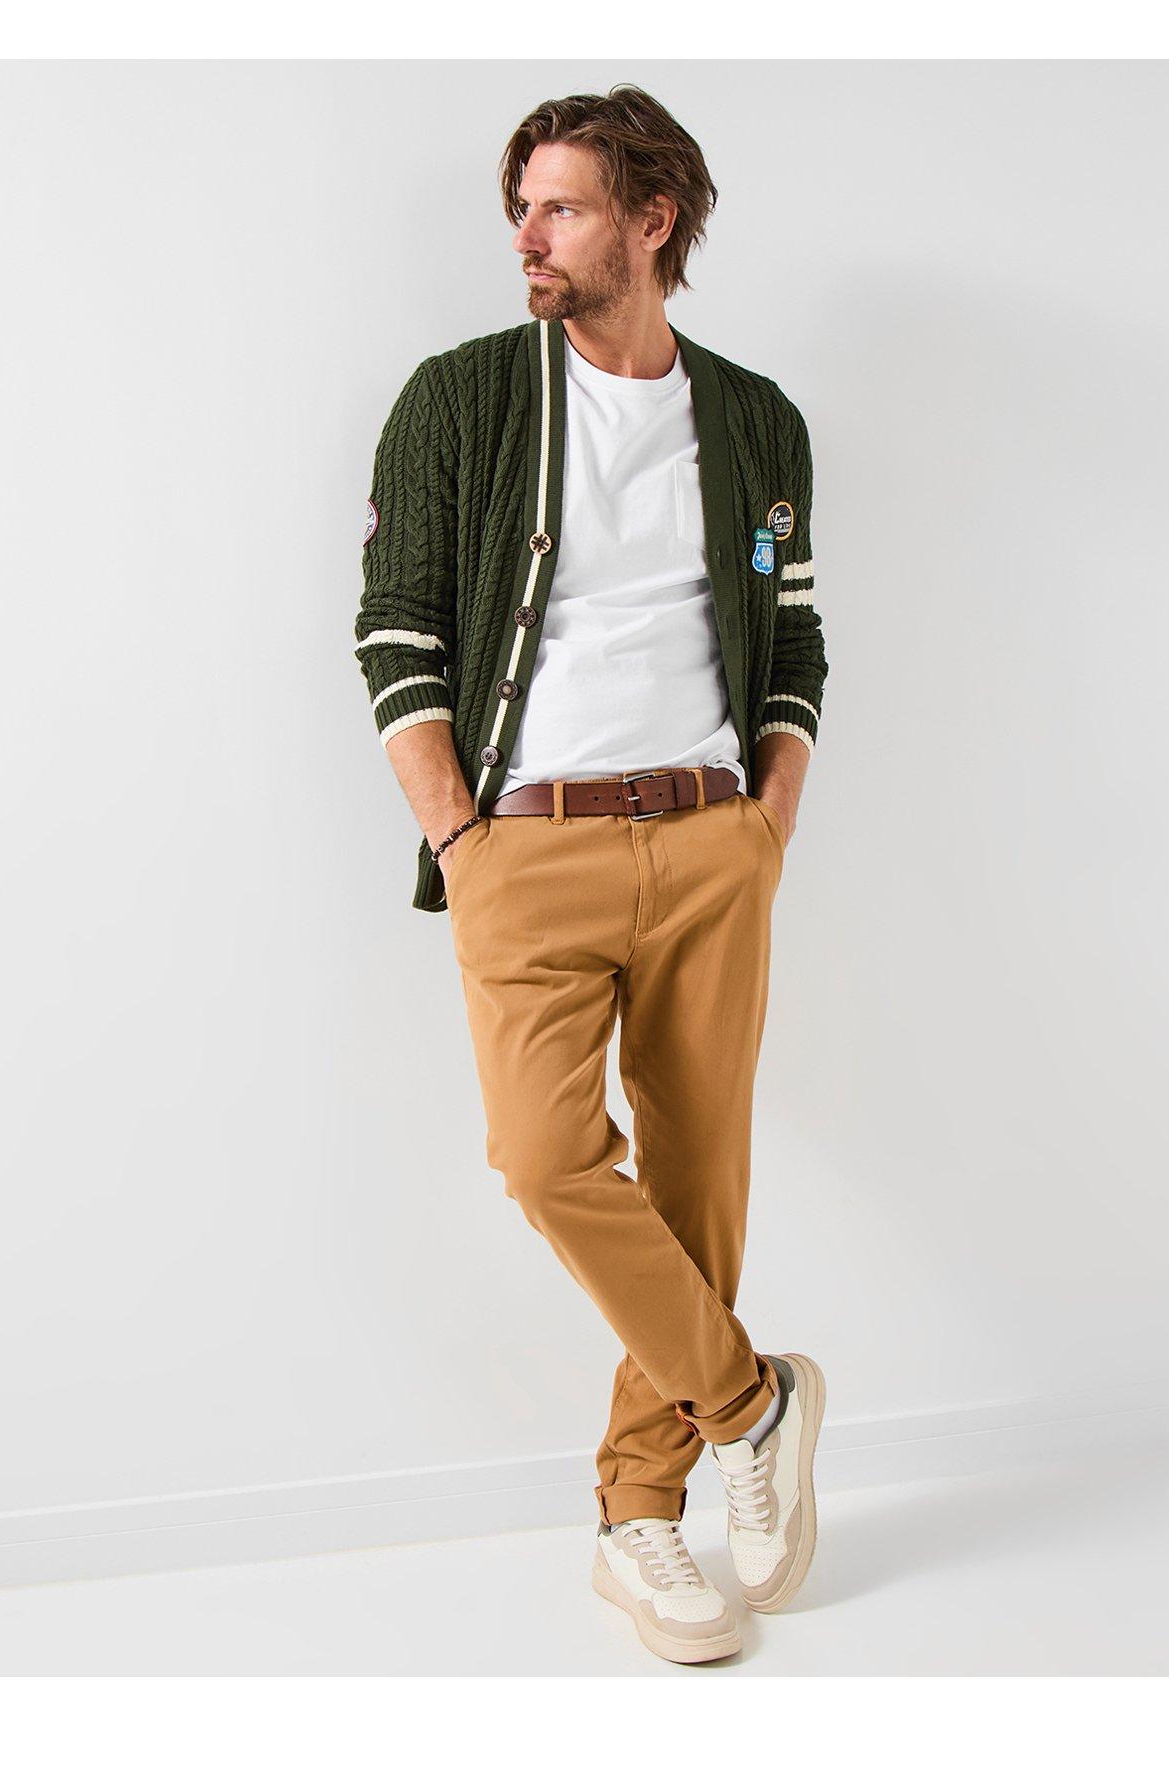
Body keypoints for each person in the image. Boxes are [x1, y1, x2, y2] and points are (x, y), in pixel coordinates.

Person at [353, 84, 830, 1666]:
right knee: (545, 1156)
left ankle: (639, 1518)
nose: (527, 235)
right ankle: (750, 1406)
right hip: (525, 847)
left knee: (695, 1184)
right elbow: (396, 631)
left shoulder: (755, 421)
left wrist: (766, 818)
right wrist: (459, 837)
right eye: (523, 207)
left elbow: (793, 633)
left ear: (651, 221)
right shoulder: (461, 397)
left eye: (559, 206)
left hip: (709, 841)